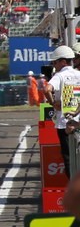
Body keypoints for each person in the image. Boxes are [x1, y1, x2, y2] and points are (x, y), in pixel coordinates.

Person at [46, 46, 80, 178]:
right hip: (78, 120)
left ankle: (73, 188)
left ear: (63, 62)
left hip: (63, 122)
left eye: (55, 62)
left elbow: (46, 89)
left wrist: (52, 103)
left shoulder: (59, 76)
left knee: (68, 157)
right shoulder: (79, 74)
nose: (54, 65)